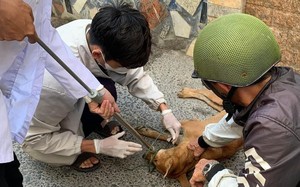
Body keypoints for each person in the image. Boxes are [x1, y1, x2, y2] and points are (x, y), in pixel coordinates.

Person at [22, 4, 181, 172]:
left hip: (68, 92)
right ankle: (77, 148)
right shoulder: (52, 84)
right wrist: (97, 146)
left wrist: (164, 109)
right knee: (56, 148)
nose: (128, 71)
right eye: (123, 66)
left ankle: (94, 124)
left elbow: (134, 74)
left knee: (108, 91)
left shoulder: (100, 32)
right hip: (40, 122)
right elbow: (34, 138)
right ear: (97, 54)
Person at [0, 0, 119, 186]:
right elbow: (33, 140)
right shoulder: (50, 88)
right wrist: (97, 146)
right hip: (27, 93)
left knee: (11, 176)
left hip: (12, 92)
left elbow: (44, 36)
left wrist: (94, 91)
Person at [188, 13, 300, 187]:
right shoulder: (282, 83)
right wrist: (204, 140)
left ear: (222, 86)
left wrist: (213, 172)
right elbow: (239, 120)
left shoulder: (271, 128)